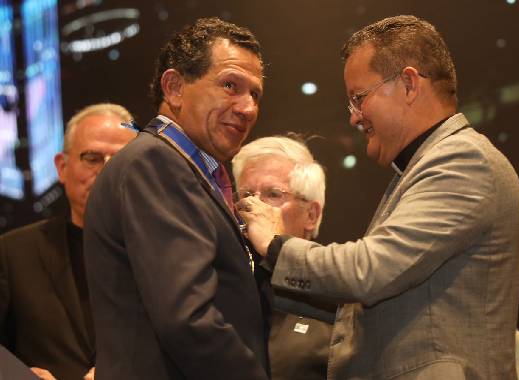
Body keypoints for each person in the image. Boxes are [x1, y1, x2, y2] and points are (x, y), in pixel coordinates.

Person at [239, 15, 519, 380]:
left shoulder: (463, 160)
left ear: (408, 83)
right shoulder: (423, 166)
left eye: (358, 98)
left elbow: (368, 271)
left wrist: (276, 245)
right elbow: (364, 304)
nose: (354, 119)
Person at [82, 17, 269, 380]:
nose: (248, 108)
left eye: (255, 94)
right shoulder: (157, 163)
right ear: (175, 87)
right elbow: (189, 319)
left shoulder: (187, 167)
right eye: (230, 85)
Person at [0, 103, 136, 380]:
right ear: (62, 167)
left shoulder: (168, 253)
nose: (108, 172)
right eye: (92, 158)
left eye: (122, 161)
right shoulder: (12, 253)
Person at [232, 135, 335, 380]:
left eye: (273, 194)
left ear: (311, 214)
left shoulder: (339, 294)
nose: (253, 205)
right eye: (246, 194)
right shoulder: (220, 283)